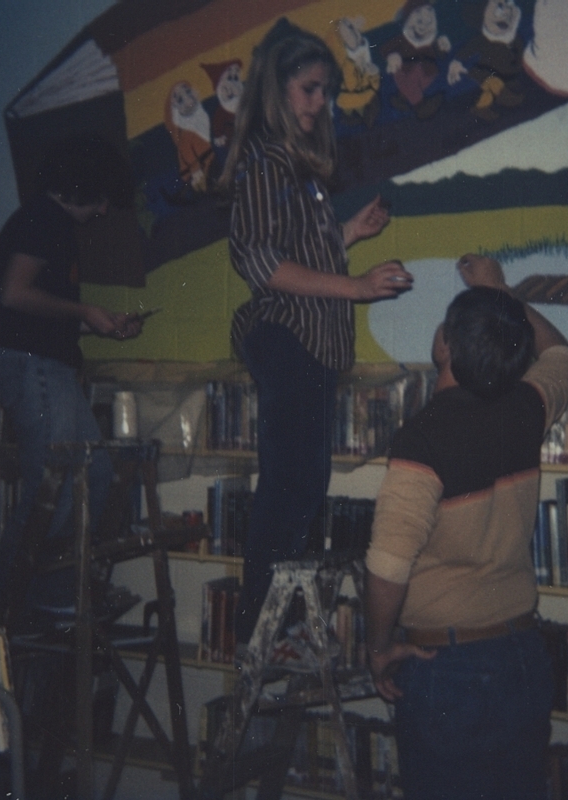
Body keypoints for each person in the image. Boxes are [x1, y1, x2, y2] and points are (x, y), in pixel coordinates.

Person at [220, 18, 414, 647]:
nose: (319, 103)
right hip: (287, 340)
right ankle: (262, 626)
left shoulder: (296, 171)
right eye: (309, 89)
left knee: (302, 487)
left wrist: (348, 232)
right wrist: (357, 286)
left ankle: (280, 624)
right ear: (277, 91)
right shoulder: (265, 164)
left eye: (326, 92)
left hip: (310, 347)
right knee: (290, 486)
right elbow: (261, 261)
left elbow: (302, 251)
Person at [365, 255, 568, 799]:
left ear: (444, 347)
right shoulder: (525, 410)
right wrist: (499, 292)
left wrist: (379, 646)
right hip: (523, 658)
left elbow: (389, 564)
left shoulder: (422, 438)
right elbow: (562, 355)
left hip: (448, 671)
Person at [0, 133, 142, 627]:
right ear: (85, 186)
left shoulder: (51, 225)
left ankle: (48, 592)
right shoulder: (41, 219)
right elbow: (13, 294)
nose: (100, 212)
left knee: (92, 476)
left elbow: (37, 305)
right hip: (31, 363)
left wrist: (98, 322)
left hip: (48, 364)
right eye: (101, 200)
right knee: (51, 486)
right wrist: (83, 310)